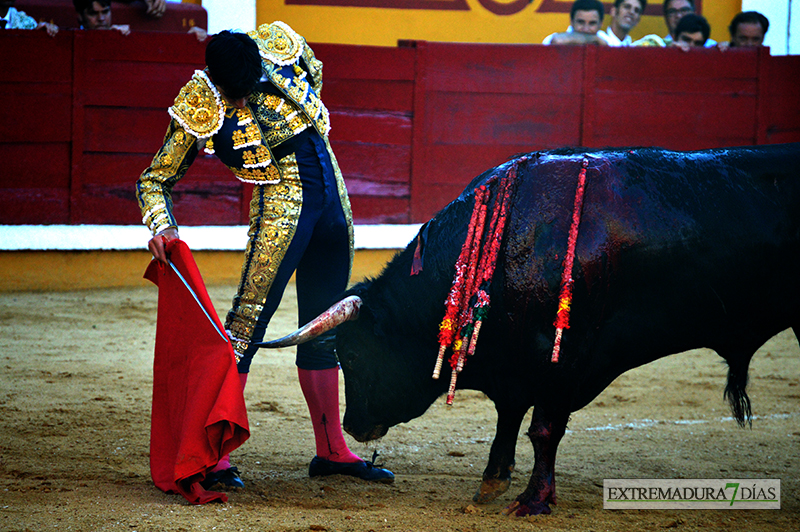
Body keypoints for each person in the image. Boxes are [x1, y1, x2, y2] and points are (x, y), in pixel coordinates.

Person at [136, 24, 394, 488]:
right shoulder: (200, 97)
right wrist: (161, 224)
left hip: (334, 201)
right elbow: (154, 179)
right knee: (244, 328)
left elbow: (314, 78)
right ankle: (212, 455)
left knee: (325, 328)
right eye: (233, 92)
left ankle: (332, 451)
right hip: (280, 209)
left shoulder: (281, 44)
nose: (240, 100)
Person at [73, 0, 206, 40]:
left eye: (105, 12)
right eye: (93, 14)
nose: (101, 19)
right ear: (80, 16)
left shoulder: (121, 33)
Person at [542, 0, 606, 46]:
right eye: (581, 22)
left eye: (592, 23)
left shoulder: (606, 39)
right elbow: (557, 40)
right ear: (571, 22)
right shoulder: (551, 38)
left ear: (601, 23)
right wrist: (594, 39)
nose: (586, 29)